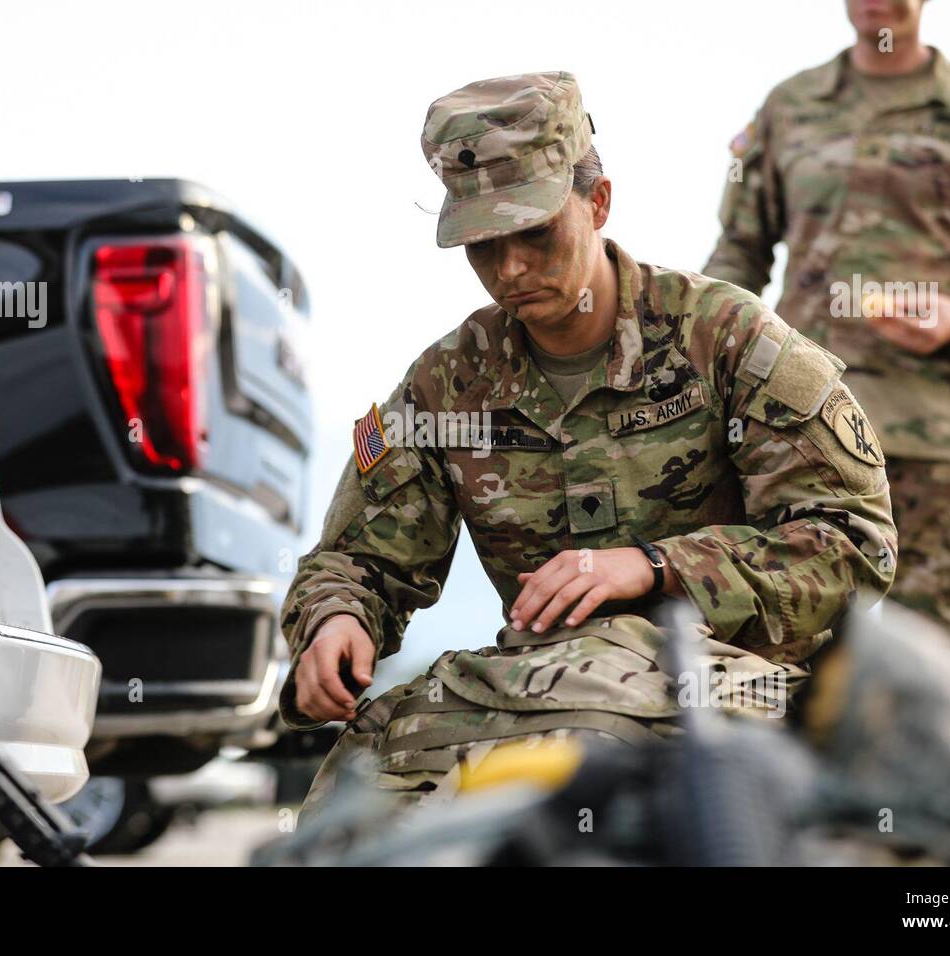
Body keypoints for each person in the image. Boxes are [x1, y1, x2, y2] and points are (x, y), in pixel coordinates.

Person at [281, 71, 897, 819]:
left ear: (597, 202)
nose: (509, 271)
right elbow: (357, 559)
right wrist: (336, 619)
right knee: (354, 811)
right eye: (482, 245)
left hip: (731, 695)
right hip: (545, 698)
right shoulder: (447, 385)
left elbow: (854, 544)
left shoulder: (732, 344)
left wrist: (657, 567)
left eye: (535, 235)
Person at [704, 0, 950, 640]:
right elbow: (739, 253)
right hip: (800, 442)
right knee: (787, 672)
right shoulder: (788, 108)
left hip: (934, 459)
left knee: (930, 689)